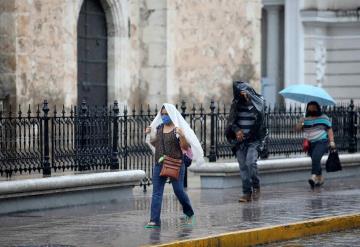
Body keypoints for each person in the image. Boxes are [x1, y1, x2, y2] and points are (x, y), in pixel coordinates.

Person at [144, 103, 204, 228]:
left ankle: (189, 213)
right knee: (156, 192)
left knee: (178, 190)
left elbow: (185, 147)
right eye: (163, 114)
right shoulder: (160, 128)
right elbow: (156, 144)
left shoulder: (177, 129)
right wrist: (149, 134)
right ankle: (154, 220)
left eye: (167, 114)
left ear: (172, 115)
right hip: (160, 163)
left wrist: (182, 135)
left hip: (176, 164)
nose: (164, 116)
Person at [225, 81, 268, 203]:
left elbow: (260, 117)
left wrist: (249, 101)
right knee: (243, 166)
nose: (242, 95)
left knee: (250, 163)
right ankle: (246, 193)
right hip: (240, 141)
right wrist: (237, 130)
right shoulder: (236, 104)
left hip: (254, 140)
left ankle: (256, 185)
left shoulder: (258, 102)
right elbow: (231, 122)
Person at [296, 101, 336, 188]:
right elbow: (298, 130)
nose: (312, 109)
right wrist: (300, 122)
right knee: (315, 160)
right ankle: (320, 178)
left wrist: (332, 141)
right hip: (310, 143)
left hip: (322, 141)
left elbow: (329, 129)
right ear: (307, 109)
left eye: (314, 107)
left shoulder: (324, 118)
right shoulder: (305, 119)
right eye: (310, 107)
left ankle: (313, 176)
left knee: (316, 157)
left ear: (317, 108)